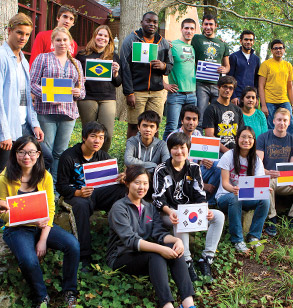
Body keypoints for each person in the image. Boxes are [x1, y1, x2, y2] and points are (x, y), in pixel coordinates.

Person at [0, 136, 80, 308]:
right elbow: (5, 215)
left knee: (72, 245)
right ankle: (41, 297)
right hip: (16, 228)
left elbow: (50, 209)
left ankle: (69, 291)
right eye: (21, 152)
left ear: (38, 154)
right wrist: (26, 217)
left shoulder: (45, 176)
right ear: (14, 154)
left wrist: (43, 239)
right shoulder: (4, 178)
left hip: (42, 225)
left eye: (31, 152)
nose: (26, 156)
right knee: (28, 260)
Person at [107, 165, 196, 308]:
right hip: (121, 256)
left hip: (143, 253)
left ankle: (188, 303)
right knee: (156, 254)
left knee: (174, 249)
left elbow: (159, 233)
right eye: (137, 182)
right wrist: (160, 249)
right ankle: (167, 304)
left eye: (145, 183)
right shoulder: (119, 208)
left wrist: (177, 240)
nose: (141, 187)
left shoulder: (149, 207)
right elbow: (130, 240)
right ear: (128, 183)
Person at [153, 132, 225, 282]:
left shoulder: (193, 168)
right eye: (175, 148)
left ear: (188, 149)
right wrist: (170, 211)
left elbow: (200, 193)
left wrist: (204, 209)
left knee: (218, 216)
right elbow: (158, 198)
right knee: (179, 218)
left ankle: (207, 258)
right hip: (168, 213)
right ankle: (186, 261)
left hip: (191, 211)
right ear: (169, 149)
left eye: (182, 147)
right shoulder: (161, 169)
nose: (179, 151)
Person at [56, 122, 126, 270]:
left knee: (122, 190)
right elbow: (61, 186)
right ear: (84, 138)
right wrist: (77, 192)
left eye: (101, 137)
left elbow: (110, 181)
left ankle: (122, 245)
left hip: (96, 194)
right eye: (93, 136)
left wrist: (120, 178)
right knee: (82, 205)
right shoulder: (69, 156)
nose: (97, 141)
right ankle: (84, 256)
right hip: (74, 195)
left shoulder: (102, 156)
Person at [30, 27, 85, 183]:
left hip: (68, 114)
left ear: (70, 42)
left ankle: (55, 190)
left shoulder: (76, 64)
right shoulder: (43, 58)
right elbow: (32, 83)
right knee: (45, 152)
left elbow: (82, 91)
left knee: (60, 153)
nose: (62, 43)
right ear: (53, 42)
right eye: (58, 40)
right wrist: (46, 94)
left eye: (65, 40)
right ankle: (41, 186)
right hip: (46, 112)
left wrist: (77, 92)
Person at [0, 13, 52, 172]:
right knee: (4, 172)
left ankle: (25, 190)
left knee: (46, 158)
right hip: (7, 127)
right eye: (19, 32)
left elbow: (25, 97)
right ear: (9, 31)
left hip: (24, 125)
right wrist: (4, 133)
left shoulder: (23, 59)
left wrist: (34, 124)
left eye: (27, 34)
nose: (23, 37)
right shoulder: (2, 57)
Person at [120, 11, 173, 138]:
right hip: (137, 92)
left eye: (155, 22)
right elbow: (125, 68)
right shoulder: (131, 40)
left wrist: (163, 66)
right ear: (142, 22)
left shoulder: (163, 42)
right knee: (134, 125)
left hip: (157, 93)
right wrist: (129, 93)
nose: (152, 24)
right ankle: (131, 154)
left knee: (154, 126)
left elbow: (170, 65)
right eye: (148, 21)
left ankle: (153, 155)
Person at [216, 126, 270, 252]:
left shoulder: (256, 160)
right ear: (237, 139)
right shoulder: (228, 156)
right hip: (225, 196)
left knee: (265, 199)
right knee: (235, 198)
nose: (246, 140)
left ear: (254, 141)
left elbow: (258, 184)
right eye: (243, 137)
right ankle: (238, 240)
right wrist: (234, 189)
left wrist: (264, 189)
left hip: (246, 196)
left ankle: (254, 236)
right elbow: (225, 183)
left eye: (250, 137)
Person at [76, 25, 122, 152]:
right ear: (95, 36)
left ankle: (101, 159)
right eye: (100, 34)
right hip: (88, 97)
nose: (102, 38)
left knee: (107, 134)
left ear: (109, 40)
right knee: (88, 133)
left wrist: (116, 73)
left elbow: (118, 83)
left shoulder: (113, 56)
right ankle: (87, 158)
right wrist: (80, 80)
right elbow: (75, 77)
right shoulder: (82, 55)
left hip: (107, 98)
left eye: (106, 36)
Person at [168, 105, 221, 205]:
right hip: (180, 175)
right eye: (188, 119)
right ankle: (198, 192)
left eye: (194, 119)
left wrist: (204, 161)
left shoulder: (197, 134)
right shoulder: (174, 136)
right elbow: (174, 165)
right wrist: (203, 184)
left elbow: (200, 157)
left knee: (217, 164)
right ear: (182, 120)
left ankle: (208, 202)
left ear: (197, 122)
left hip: (196, 172)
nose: (191, 122)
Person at [256, 108, 293, 236]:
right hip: (268, 178)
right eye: (279, 120)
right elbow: (258, 163)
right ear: (273, 121)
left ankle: (291, 218)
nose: (282, 123)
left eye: (285, 120)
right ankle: (272, 220)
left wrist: (291, 178)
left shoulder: (291, 140)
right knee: (267, 183)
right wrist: (265, 171)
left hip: (285, 180)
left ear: (289, 123)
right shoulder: (263, 138)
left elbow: (292, 165)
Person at [191, 14, 230, 130]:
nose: (208, 27)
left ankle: (216, 144)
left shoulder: (222, 44)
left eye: (211, 24)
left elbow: (227, 66)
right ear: (202, 25)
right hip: (201, 84)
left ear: (216, 26)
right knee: (201, 114)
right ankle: (198, 141)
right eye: (206, 24)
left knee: (218, 115)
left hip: (217, 85)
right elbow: (184, 43)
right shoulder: (196, 39)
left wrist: (224, 69)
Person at [163, 18, 197, 140]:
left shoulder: (193, 48)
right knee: (171, 127)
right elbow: (156, 63)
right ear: (181, 29)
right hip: (176, 94)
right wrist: (165, 85)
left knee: (187, 128)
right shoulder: (172, 45)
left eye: (192, 28)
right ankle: (166, 156)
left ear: (195, 31)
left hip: (192, 95)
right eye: (186, 28)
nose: (189, 31)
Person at [258, 39, 293, 134]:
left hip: (284, 101)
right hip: (270, 102)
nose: (278, 50)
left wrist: (292, 103)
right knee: (271, 127)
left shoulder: (288, 65)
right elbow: (261, 85)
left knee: (290, 126)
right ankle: (272, 147)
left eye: (280, 48)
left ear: (284, 50)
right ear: (272, 50)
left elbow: (290, 86)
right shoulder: (266, 64)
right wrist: (264, 105)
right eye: (275, 48)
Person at [203, 76, 244, 154]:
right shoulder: (211, 108)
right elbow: (209, 136)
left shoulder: (237, 110)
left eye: (230, 88)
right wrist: (228, 153)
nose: (227, 90)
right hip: (217, 153)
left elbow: (240, 134)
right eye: (225, 87)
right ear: (218, 87)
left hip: (235, 152)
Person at [124, 110, 169, 175]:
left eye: (152, 126)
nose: (148, 129)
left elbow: (166, 165)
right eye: (144, 126)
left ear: (157, 129)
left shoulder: (162, 145)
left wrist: (137, 166)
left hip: (155, 179)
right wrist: (153, 165)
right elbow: (128, 161)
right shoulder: (132, 141)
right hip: (135, 178)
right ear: (138, 127)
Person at [228, 30, 260, 106]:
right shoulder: (234, 57)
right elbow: (229, 78)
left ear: (253, 42)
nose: (248, 42)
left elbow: (256, 80)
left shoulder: (256, 59)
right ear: (241, 41)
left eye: (251, 40)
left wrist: (256, 97)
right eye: (246, 39)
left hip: (251, 97)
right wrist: (233, 96)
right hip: (237, 97)